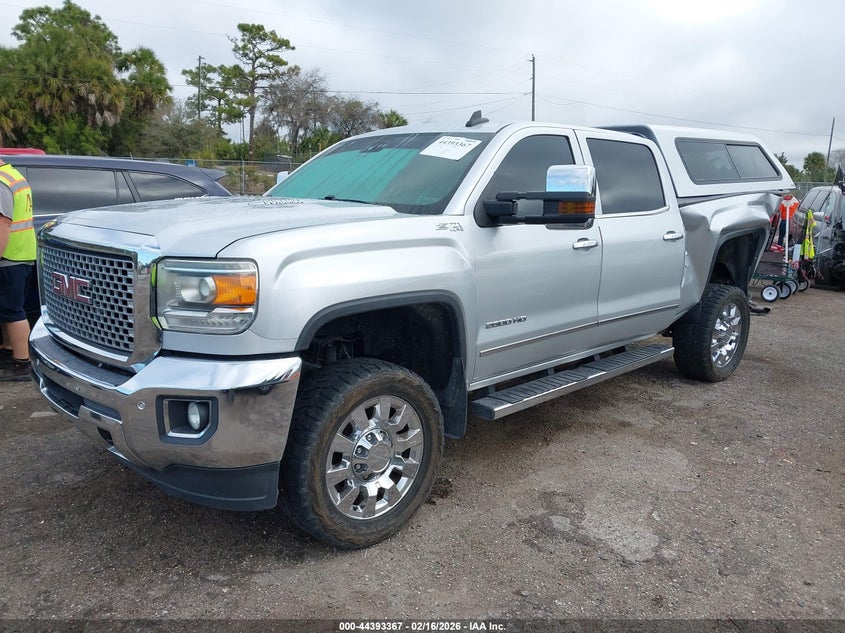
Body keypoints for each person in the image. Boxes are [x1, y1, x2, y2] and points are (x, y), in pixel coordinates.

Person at [0, 157, 36, 381]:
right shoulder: (12, 175)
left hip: (9, 256)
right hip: (20, 254)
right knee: (7, 310)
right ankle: (9, 353)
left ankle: (23, 364)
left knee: (13, 312)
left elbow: (2, 225)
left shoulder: (1, 181)